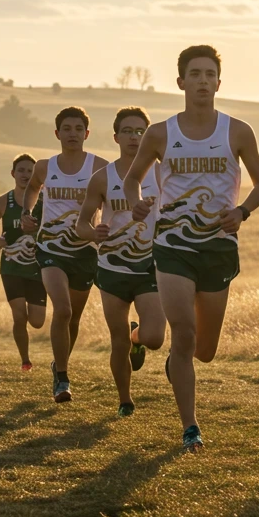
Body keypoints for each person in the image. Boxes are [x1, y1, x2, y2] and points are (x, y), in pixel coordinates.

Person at [123, 45, 259, 452]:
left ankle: (177, 362)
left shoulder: (237, 131)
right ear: (181, 82)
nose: (203, 81)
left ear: (219, 83)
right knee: (183, 334)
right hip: (172, 243)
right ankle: (190, 427)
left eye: (210, 74)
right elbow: (133, 179)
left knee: (204, 350)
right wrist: (136, 201)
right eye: (195, 74)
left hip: (219, 246)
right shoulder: (160, 133)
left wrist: (242, 212)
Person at [75, 107, 166, 417]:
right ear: (116, 136)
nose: (134, 137)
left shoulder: (161, 172)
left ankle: (137, 336)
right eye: (127, 131)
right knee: (117, 340)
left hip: (149, 266)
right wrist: (94, 233)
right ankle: (125, 400)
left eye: (140, 131)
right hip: (112, 267)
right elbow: (81, 224)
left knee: (154, 337)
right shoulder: (103, 178)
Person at [24, 107, 108, 402]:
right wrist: (27, 212)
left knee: (73, 320)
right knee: (62, 310)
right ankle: (62, 378)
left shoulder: (100, 167)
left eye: (78, 128)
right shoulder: (45, 167)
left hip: (85, 251)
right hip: (50, 248)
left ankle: (59, 364)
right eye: (67, 128)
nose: (73, 134)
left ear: (87, 133)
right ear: (57, 133)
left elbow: (113, 202)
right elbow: (33, 188)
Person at [0, 153, 47, 371]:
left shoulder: (44, 200)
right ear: (13, 173)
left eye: (30, 171)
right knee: (19, 316)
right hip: (11, 266)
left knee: (37, 321)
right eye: (21, 170)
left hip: (37, 267)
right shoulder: (3, 202)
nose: (25, 175)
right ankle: (25, 360)